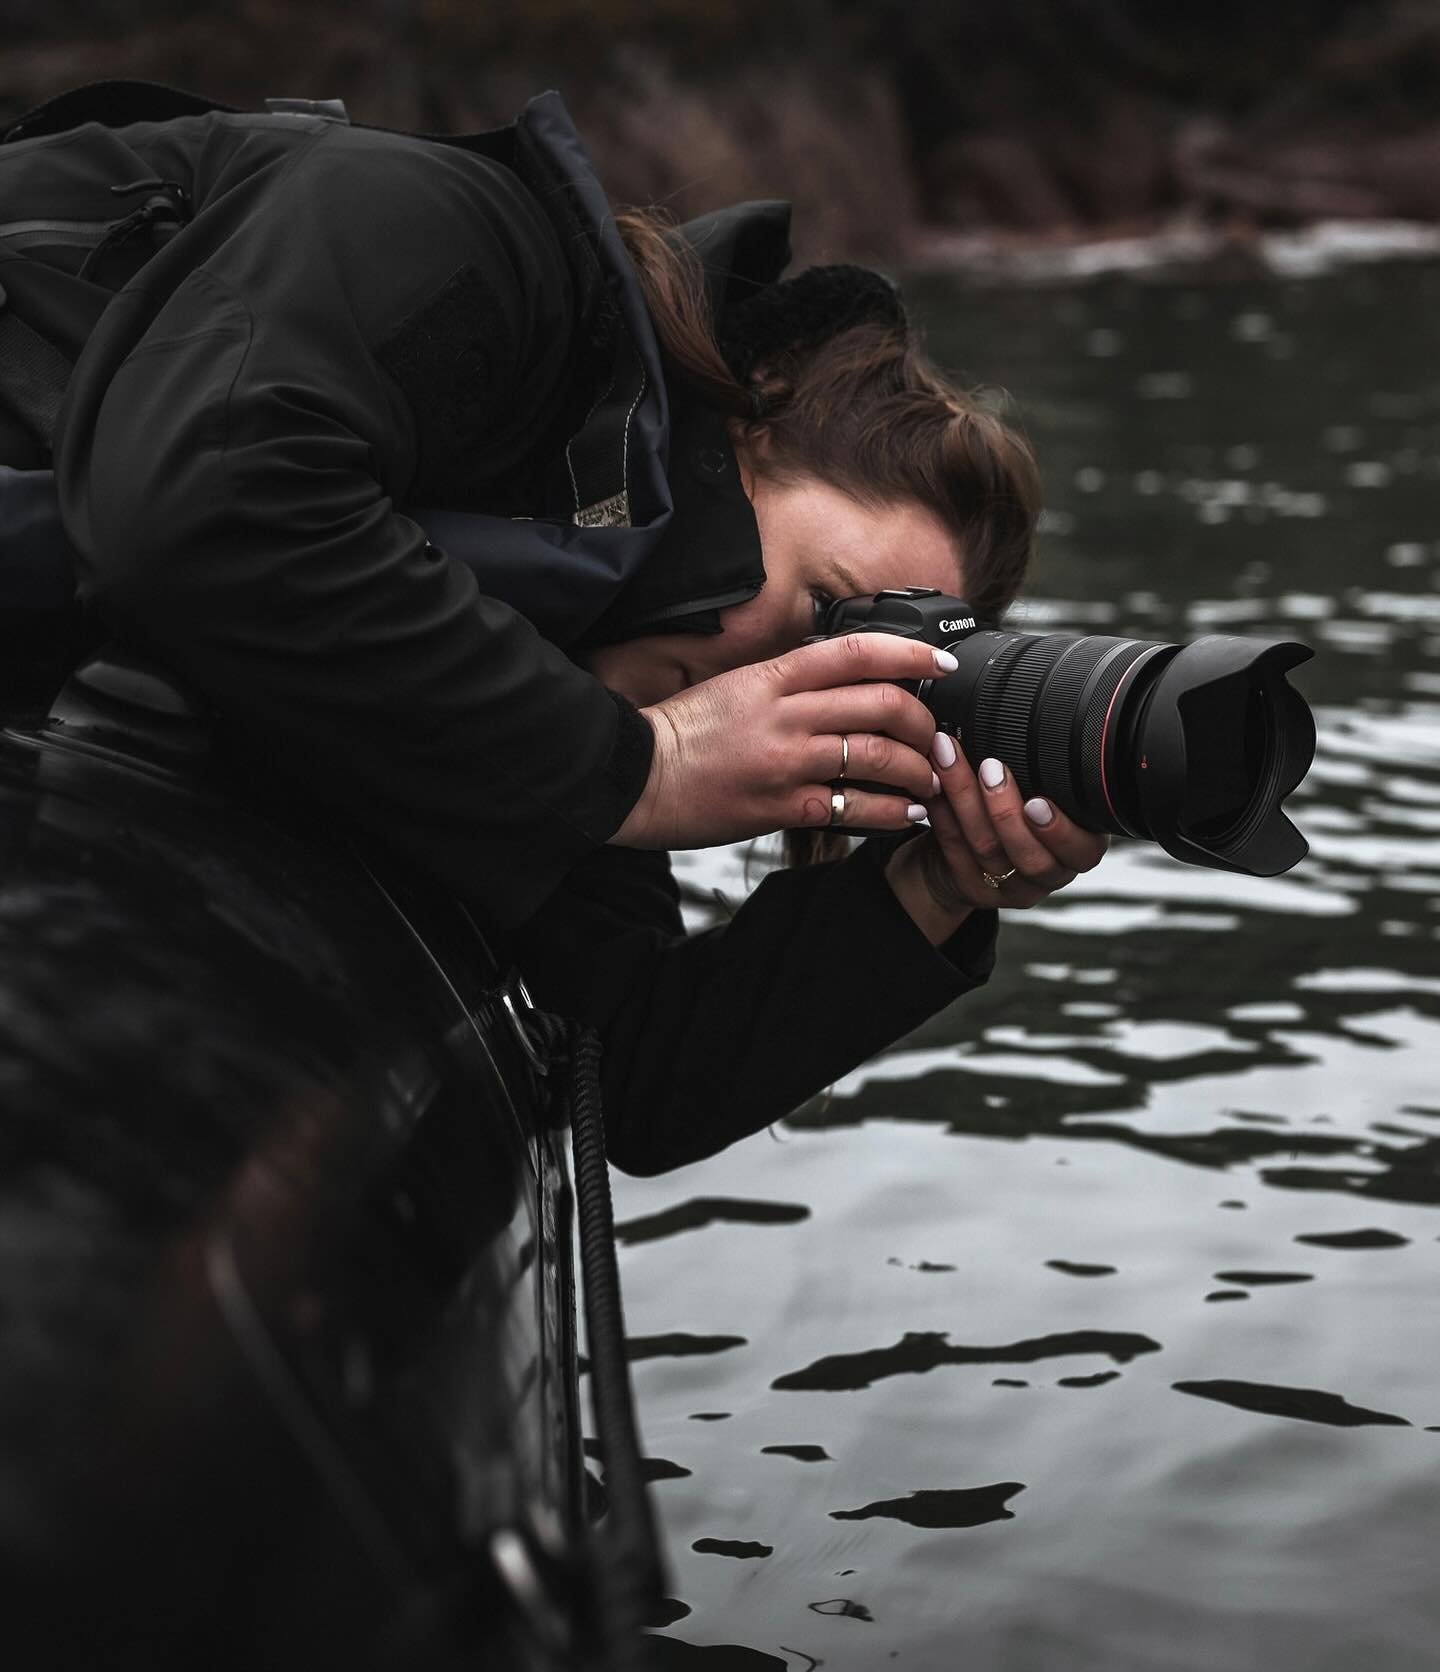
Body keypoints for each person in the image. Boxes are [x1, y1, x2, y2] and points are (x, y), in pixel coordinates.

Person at [0, 85, 1108, 1174]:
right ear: (748, 430)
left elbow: (630, 1079)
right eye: (826, 613)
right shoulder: (458, 230)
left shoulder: (567, 669)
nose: (789, 691)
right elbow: (197, 499)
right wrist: (641, 771)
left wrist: (934, 889)